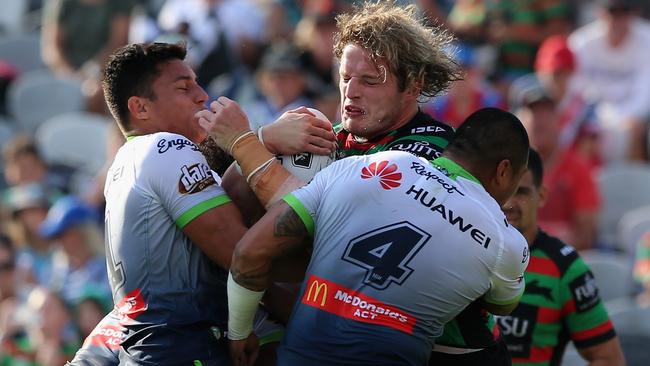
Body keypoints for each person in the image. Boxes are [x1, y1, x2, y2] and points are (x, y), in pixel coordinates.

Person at [225, 107, 531, 366]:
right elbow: (501, 305)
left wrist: (239, 333)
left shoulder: (361, 167)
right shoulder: (504, 239)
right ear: (504, 171)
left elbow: (249, 254)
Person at [98, 41, 334, 365]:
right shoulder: (167, 148)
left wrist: (259, 140)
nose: (202, 95)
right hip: (183, 350)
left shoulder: (132, 160)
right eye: (184, 88)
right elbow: (245, 255)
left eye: (197, 82)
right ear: (140, 108)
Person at [498, 149, 625, 365]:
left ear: (542, 196)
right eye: (503, 191)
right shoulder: (461, 250)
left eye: (521, 192)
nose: (509, 203)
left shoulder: (565, 268)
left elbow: (609, 358)